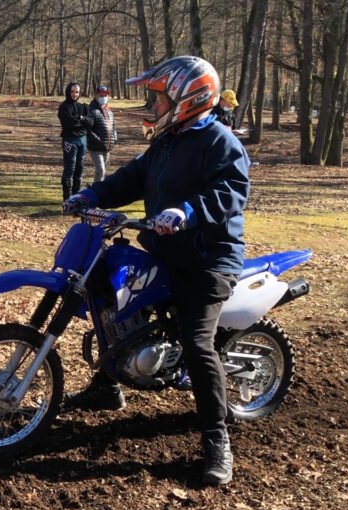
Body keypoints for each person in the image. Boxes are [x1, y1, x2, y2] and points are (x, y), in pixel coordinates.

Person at [62, 56, 249, 487]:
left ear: (188, 97)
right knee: (109, 292)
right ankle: (108, 385)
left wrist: (186, 212)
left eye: (160, 95)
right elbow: (130, 179)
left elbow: (231, 194)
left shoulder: (219, 142)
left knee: (197, 342)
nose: (155, 103)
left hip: (207, 258)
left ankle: (216, 439)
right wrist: (88, 194)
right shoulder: (166, 142)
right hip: (165, 248)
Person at [57, 81, 94, 200]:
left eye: (77, 92)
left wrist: (82, 118)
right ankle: (67, 198)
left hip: (82, 140)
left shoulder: (83, 107)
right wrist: (82, 122)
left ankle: (76, 198)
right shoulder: (64, 107)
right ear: (68, 92)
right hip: (69, 140)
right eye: (72, 91)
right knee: (70, 168)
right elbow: (69, 124)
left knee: (79, 169)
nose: (74, 94)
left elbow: (91, 122)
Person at [86, 85, 117, 183]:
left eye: (105, 95)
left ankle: (99, 193)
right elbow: (88, 129)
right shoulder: (91, 110)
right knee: (100, 170)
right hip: (95, 147)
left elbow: (113, 127)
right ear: (96, 96)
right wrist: (97, 140)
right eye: (101, 95)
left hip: (107, 147)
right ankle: (94, 192)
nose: (103, 97)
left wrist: (114, 138)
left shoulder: (110, 112)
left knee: (104, 172)